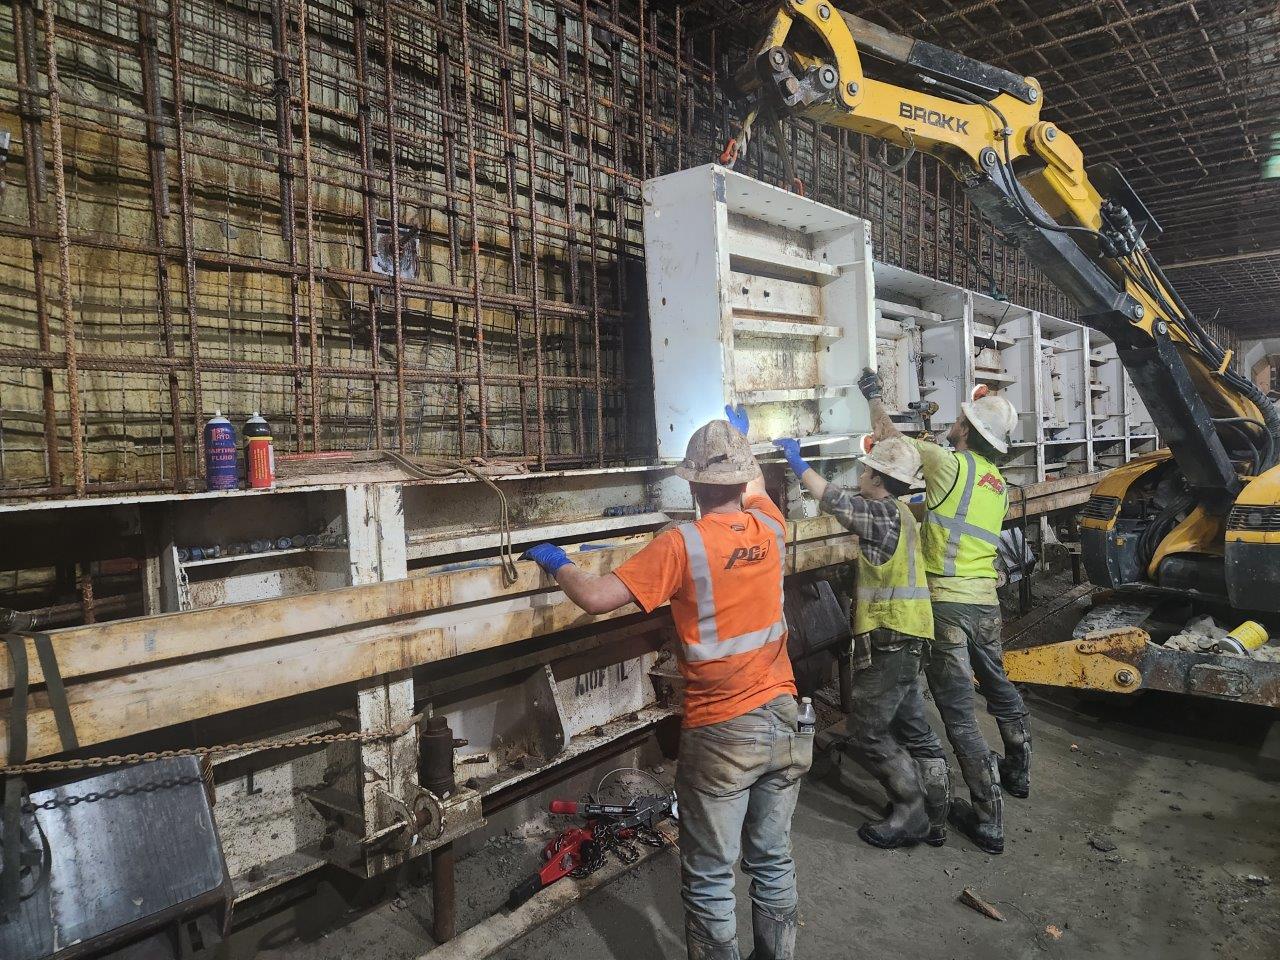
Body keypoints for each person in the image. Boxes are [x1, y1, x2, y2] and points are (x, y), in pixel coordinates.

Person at [523, 407, 810, 960]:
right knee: (772, 859)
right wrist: (739, 439)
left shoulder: (683, 545)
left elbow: (597, 597)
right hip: (786, 717)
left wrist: (557, 561)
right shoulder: (771, 525)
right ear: (744, 478)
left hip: (725, 731)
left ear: (692, 481)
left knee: (709, 874)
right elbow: (749, 484)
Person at [859, 369, 1028, 838]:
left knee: (958, 716)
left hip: (947, 606)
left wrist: (874, 395)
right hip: (986, 604)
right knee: (992, 690)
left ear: (967, 431)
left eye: (959, 419)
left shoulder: (950, 464)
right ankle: (1016, 769)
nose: (953, 422)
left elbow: (890, 442)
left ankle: (988, 819)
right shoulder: (997, 482)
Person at [772, 433, 950, 850]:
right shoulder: (903, 513)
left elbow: (836, 501)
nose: (861, 473)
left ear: (880, 477)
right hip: (910, 633)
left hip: (892, 635)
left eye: (867, 468)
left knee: (869, 730)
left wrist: (798, 464)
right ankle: (937, 811)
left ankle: (912, 814)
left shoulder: (881, 513)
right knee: (911, 724)